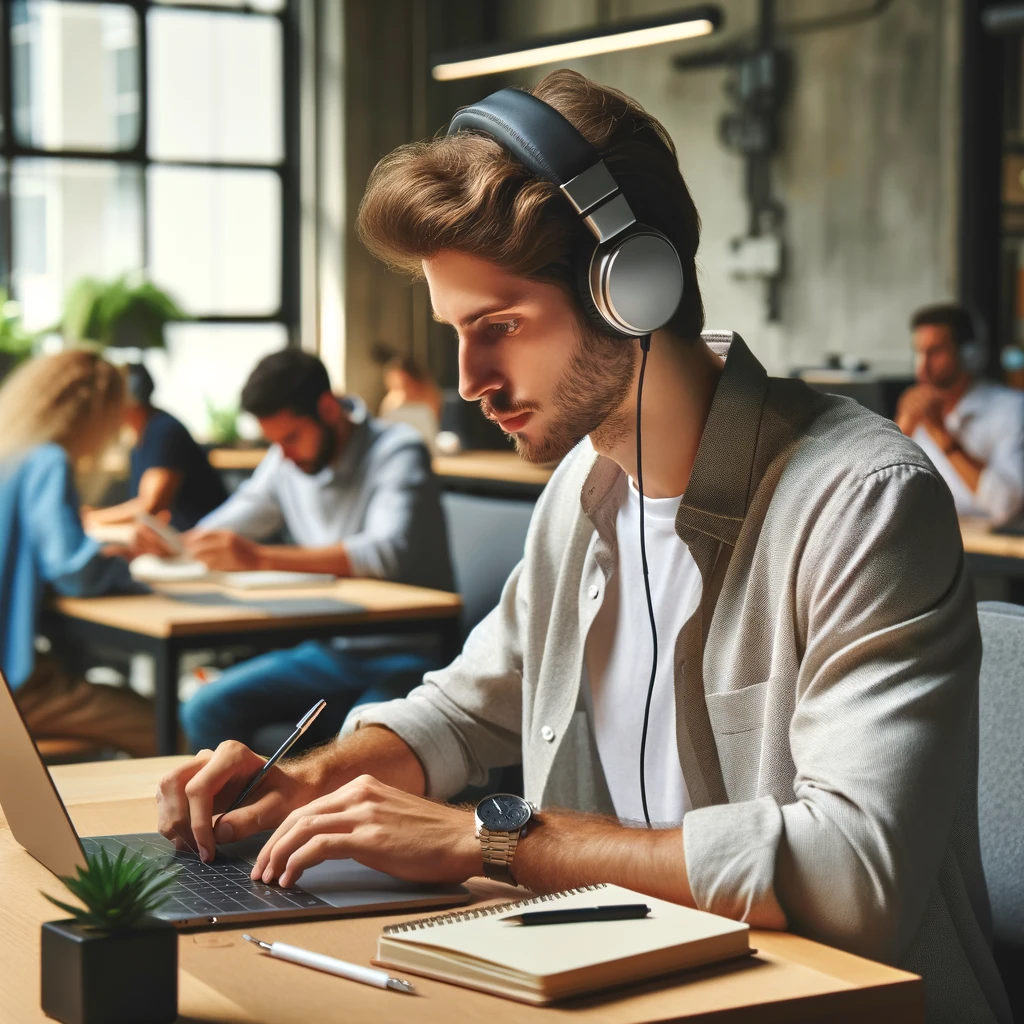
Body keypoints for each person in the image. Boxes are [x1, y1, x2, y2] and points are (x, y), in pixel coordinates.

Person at [154, 72, 1010, 1024]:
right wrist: (313, 779)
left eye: (501, 328)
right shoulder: (581, 491)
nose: (470, 381)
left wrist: (492, 839)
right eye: (456, 335)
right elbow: (467, 709)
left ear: (630, 290)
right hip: (627, 983)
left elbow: (855, 877)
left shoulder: (861, 502)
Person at [142, 347, 454, 752]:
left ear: (327, 408)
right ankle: (234, 816)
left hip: (410, 651)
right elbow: (228, 524)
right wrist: (174, 546)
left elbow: (384, 552)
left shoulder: (397, 449)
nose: (283, 454)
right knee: (204, 708)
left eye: (290, 437)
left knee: (357, 744)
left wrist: (256, 559)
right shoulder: (284, 460)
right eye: (275, 441)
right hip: (330, 650)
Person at [0, 350, 156, 757]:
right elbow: (72, 571)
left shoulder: (9, 453)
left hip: (18, 671)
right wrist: (123, 557)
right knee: (167, 726)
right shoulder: (47, 460)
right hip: (14, 687)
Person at [896, 303, 1024, 523]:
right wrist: (901, 433)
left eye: (935, 352)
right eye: (919, 352)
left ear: (969, 354)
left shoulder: (1012, 409)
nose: (922, 367)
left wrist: (943, 436)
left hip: (987, 552)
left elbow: (1007, 506)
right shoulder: (914, 412)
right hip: (925, 544)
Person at [83, 363, 227, 532]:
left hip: (200, 541)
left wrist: (91, 518)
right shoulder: (140, 436)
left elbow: (150, 506)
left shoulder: (164, 431)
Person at [371, 342, 444, 448]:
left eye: (405, 379)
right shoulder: (392, 399)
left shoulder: (429, 392)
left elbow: (433, 422)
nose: (401, 383)